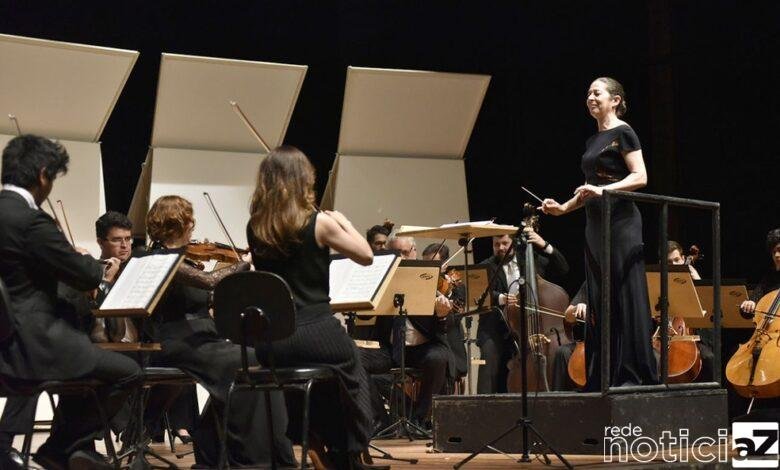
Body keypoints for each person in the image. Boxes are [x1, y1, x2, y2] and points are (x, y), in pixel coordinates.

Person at [0, 135, 142, 470]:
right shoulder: (31, 221)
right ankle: (64, 446)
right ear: (43, 175)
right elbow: (85, 276)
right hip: (34, 340)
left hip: (5, 336)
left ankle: (63, 450)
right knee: (128, 372)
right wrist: (89, 263)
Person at [246, 145, 386, 469]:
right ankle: (353, 448)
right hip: (315, 330)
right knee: (352, 362)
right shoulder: (320, 222)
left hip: (271, 340)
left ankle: (312, 436)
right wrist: (344, 221)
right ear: (303, 179)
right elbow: (366, 255)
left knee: (318, 373)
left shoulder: (255, 226)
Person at [144, 195, 294, 467]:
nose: (193, 225)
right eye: (190, 220)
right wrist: (244, 262)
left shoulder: (184, 259)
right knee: (243, 362)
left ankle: (250, 448)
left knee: (259, 356)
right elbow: (209, 280)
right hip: (178, 341)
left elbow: (207, 297)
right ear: (178, 223)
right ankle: (249, 457)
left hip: (204, 337)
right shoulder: (163, 259)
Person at [541, 77, 658, 390]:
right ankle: (604, 373)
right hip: (595, 225)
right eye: (588, 93)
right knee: (600, 297)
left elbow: (640, 176)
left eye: (597, 92)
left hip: (621, 223)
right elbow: (588, 189)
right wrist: (563, 208)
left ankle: (633, 374)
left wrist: (602, 189)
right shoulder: (593, 140)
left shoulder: (624, 131)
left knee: (623, 293)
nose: (590, 97)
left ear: (615, 99)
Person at [476, 228, 569, 394]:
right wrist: (500, 298)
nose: (501, 248)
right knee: (488, 355)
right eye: (496, 244)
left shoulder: (529, 259)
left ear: (513, 242)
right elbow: (479, 294)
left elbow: (563, 268)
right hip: (496, 326)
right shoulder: (486, 266)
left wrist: (544, 245)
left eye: (505, 243)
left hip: (528, 324)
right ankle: (482, 406)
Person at [740, 228, 780, 316]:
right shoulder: (769, 277)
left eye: (779, 250)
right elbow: (746, 313)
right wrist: (749, 304)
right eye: (774, 252)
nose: (776, 255)